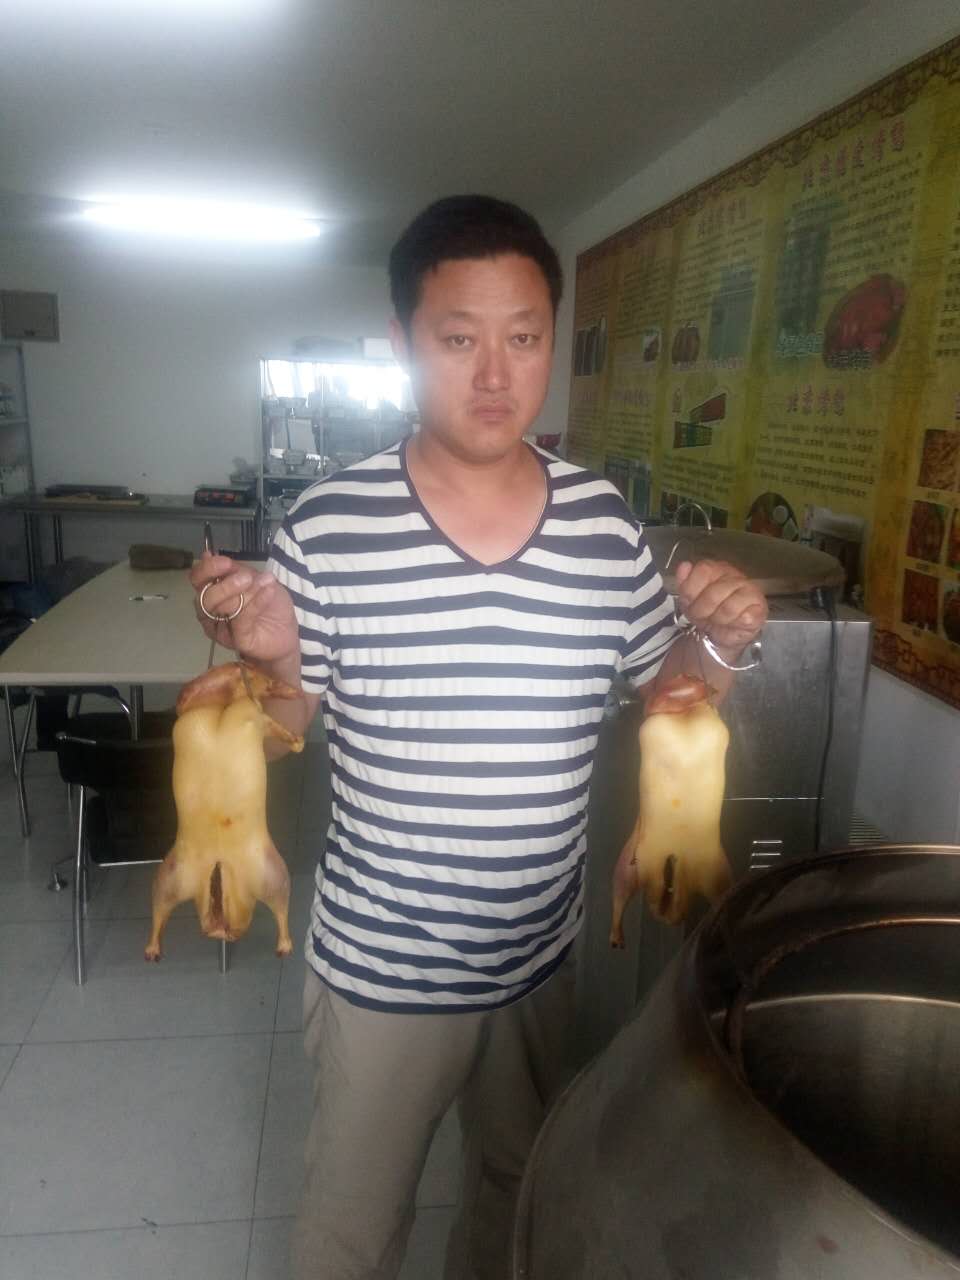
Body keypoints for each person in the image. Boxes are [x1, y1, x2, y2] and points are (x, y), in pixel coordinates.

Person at [191, 194, 767, 1280]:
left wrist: (722, 642)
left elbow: (674, 696)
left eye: (525, 336)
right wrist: (271, 656)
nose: (497, 375)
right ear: (404, 342)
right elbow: (277, 731)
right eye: (459, 340)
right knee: (353, 1230)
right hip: (382, 966)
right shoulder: (328, 525)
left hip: (537, 957)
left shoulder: (604, 526)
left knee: (514, 1200)